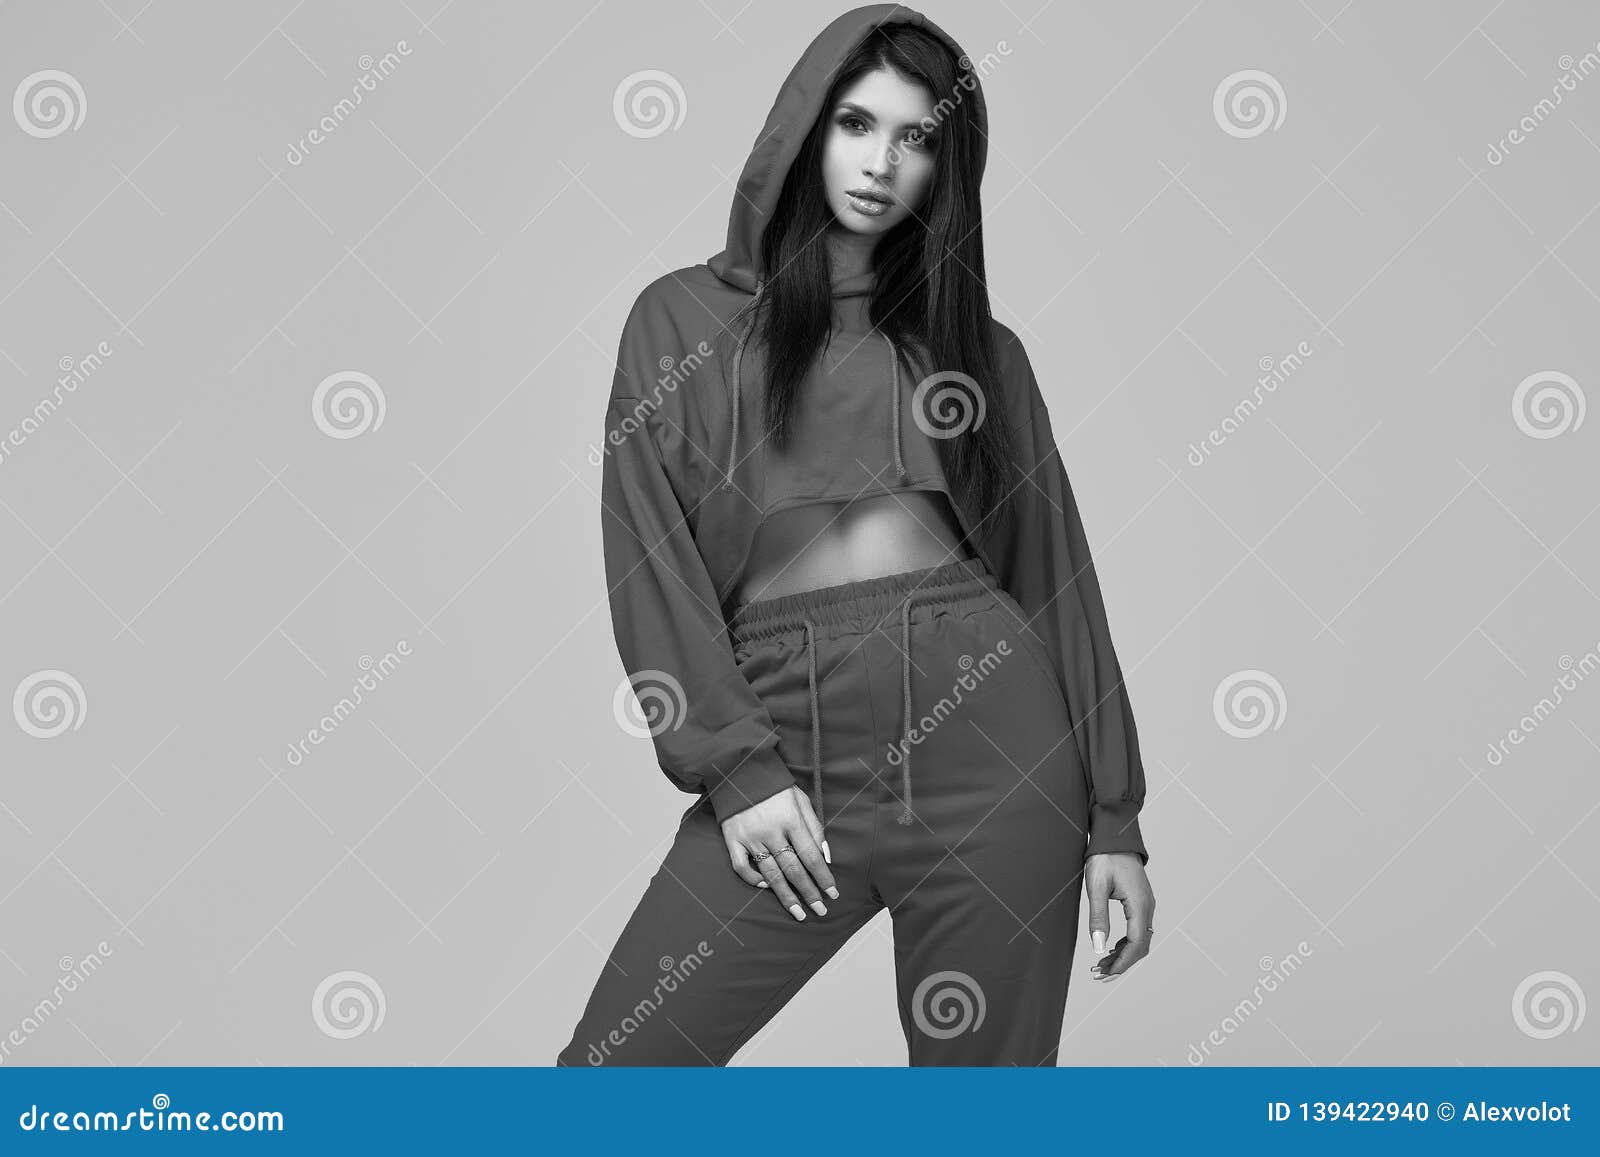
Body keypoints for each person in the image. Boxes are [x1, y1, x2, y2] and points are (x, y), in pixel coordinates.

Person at [558, 3, 1155, 1067]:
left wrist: (1115, 816)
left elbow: (1055, 578)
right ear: (801, 129)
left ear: (946, 167)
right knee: (615, 1077)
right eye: (855, 124)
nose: (880, 162)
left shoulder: (977, 351)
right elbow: (650, 556)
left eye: (916, 139)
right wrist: (738, 768)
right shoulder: (681, 323)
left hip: (998, 758)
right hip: (791, 740)